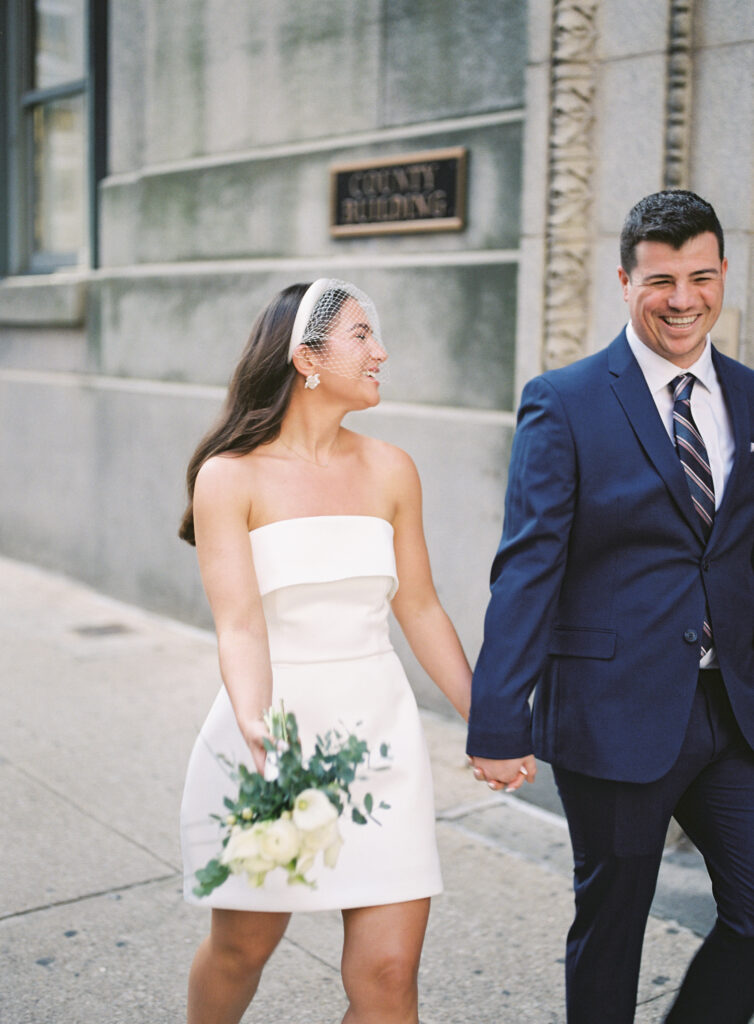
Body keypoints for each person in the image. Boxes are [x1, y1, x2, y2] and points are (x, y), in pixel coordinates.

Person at [466, 191, 754, 1023]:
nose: (683, 298)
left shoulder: (747, 394)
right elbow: (528, 566)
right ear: (624, 279)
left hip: (732, 710)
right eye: (661, 279)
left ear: (723, 275)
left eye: (701, 276)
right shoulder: (566, 400)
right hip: (615, 711)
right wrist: (497, 717)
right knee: (613, 926)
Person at [178, 279, 471, 1024]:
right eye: (362, 336)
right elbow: (239, 625)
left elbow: (421, 606)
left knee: (388, 974)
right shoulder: (229, 477)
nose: (381, 352)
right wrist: (253, 720)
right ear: (307, 358)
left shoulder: (391, 468)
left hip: (381, 744)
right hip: (273, 743)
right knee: (243, 950)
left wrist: (488, 715)